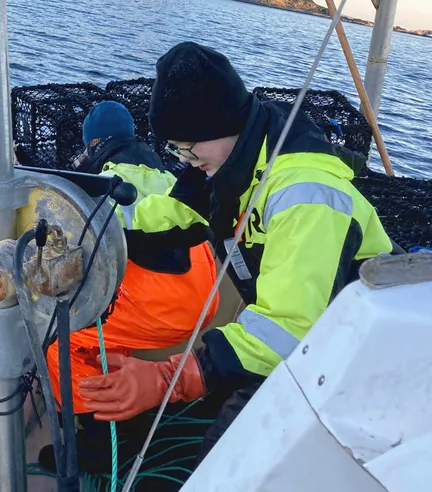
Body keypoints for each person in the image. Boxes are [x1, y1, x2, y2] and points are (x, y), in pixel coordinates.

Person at [78, 42, 398, 457]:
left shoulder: (305, 195)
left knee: (225, 458)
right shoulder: (233, 162)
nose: (186, 160)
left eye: (190, 147)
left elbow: (289, 328)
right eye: (176, 149)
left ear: (222, 125)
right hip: (305, 339)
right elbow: (166, 213)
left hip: (353, 353)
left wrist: (168, 378)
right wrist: (92, 220)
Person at [43, 100, 220, 418]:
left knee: (59, 337)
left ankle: (95, 434)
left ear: (93, 144)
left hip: (169, 309)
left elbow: (83, 245)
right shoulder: (165, 169)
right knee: (107, 319)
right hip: (208, 298)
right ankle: (125, 406)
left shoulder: (104, 180)